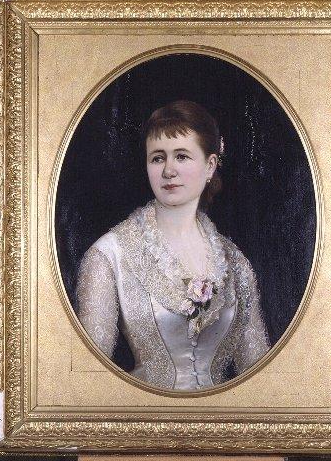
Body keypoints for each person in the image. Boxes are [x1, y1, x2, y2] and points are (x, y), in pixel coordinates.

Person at [76, 100, 270, 391]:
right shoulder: (108, 255)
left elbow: (259, 377)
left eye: (181, 156)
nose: (168, 170)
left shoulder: (236, 264)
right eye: (157, 158)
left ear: (210, 165)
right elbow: (87, 379)